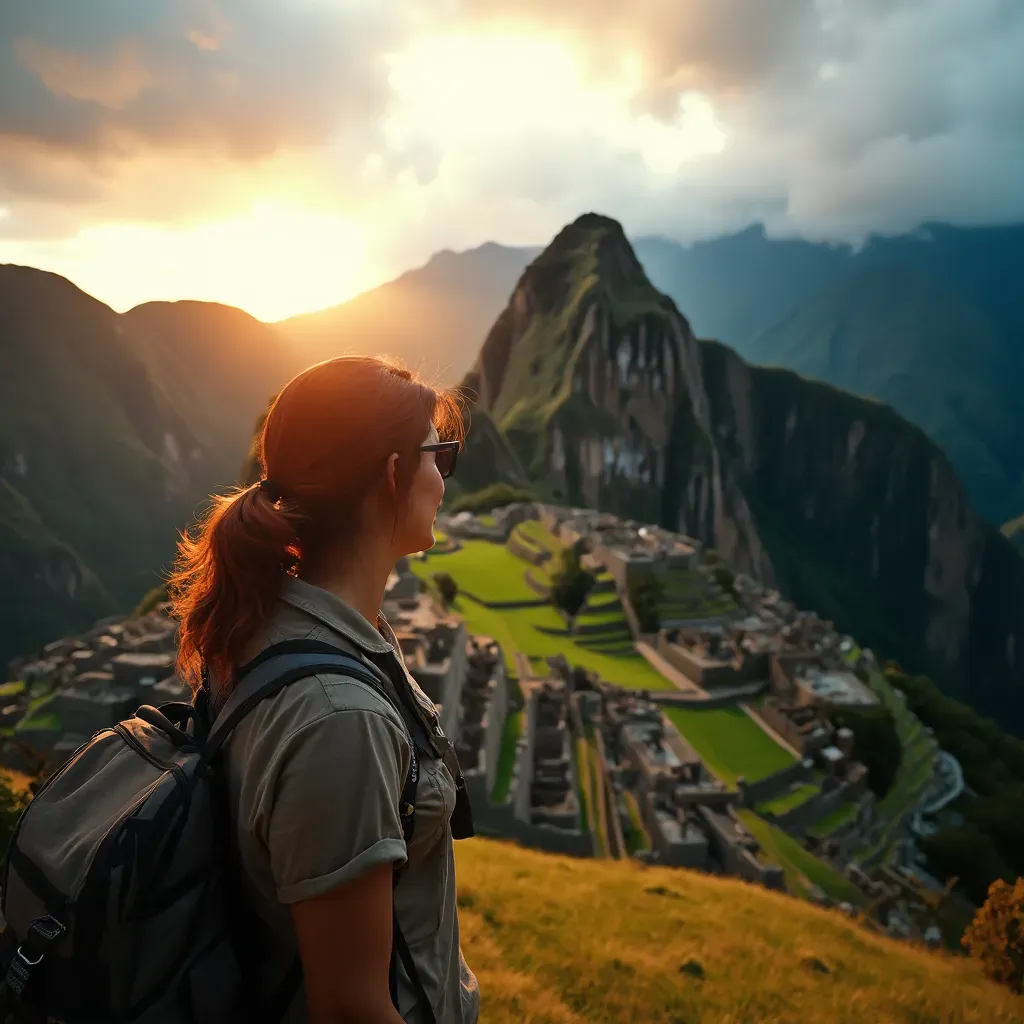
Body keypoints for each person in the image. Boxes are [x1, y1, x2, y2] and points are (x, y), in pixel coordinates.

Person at [168, 355, 480, 1024]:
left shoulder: (272, 625)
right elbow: (352, 1008)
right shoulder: (340, 721)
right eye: (439, 455)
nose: (444, 477)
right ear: (394, 475)